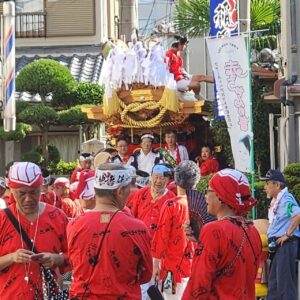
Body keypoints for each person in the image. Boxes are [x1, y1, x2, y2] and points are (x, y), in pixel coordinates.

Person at [67, 163, 153, 299]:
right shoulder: (138, 228)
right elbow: (146, 275)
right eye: (128, 188)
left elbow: (73, 263)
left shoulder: (74, 224)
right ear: (120, 191)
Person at [182, 168, 262, 300]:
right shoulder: (252, 230)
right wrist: (200, 243)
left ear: (221, 196)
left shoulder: (213, 230)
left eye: (209, 190)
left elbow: (199, 282)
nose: (205, 196)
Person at [0, 162, 69, 299]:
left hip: (49, 295)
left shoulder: (57, 217)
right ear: (11, 190)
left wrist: (56, 258)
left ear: (41, 188)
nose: (28, 199)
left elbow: (77, 258)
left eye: (33, 192)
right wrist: (12, 257)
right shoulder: (2, 219)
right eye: (22, 193)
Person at [152, 160, 200, 299]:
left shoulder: (171, 205)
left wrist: (155, 263)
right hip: (195, 266)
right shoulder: (204, 204)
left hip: (171, 269)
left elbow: (161, 237)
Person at [262, 169, 300, 300]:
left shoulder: (286, 199)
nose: (265, 187)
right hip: (278, 246)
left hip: (285, 244)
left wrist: (288, 234)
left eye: (267, 183)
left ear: (277, 185)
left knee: (284, 286)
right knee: (274, 285)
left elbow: (298, 215)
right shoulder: (276, 200)